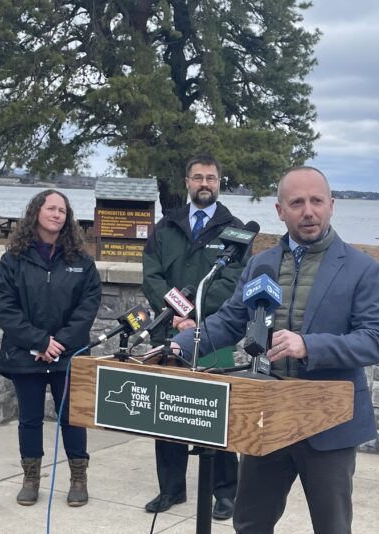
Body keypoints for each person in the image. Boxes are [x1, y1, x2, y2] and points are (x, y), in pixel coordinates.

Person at [171, 166, 379, 534]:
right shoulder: (262, 263)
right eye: (297, 202)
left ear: (332, 205)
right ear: (280, 211)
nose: (309, 211)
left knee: (332, 527)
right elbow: (229, 321)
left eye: (317, 201)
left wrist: (307, 345)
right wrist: (177, 346)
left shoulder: (363, 269)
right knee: (250, 522)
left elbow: (375, 340)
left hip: (329, 421)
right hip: (268, 415)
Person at [140, 154, 250, 520]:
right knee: (167, 411)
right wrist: (177, 315)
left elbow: (232, 283)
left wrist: (195, 317)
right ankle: (171, 489)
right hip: (169, 330)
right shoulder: (165, 227)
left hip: (214, 334)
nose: (205, 184)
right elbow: (151, 276)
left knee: (213, 413)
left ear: (220, 183)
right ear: (186, 182)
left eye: (212, 178)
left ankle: (224, 493)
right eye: (198, 177)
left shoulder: (234, 230)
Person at [0, 189, 102, 507]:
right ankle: (30, 478)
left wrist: (59, 344)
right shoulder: (13, 259)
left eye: (63, 211)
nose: (57, 215)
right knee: (29, 420)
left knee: (72, 418)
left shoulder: (81, 261)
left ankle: (79, 478)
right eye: (51, 208)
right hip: (26, 355)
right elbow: (6, 308)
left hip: (68, 356)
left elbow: (88, 305)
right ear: (36, 212)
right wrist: (39, 342)